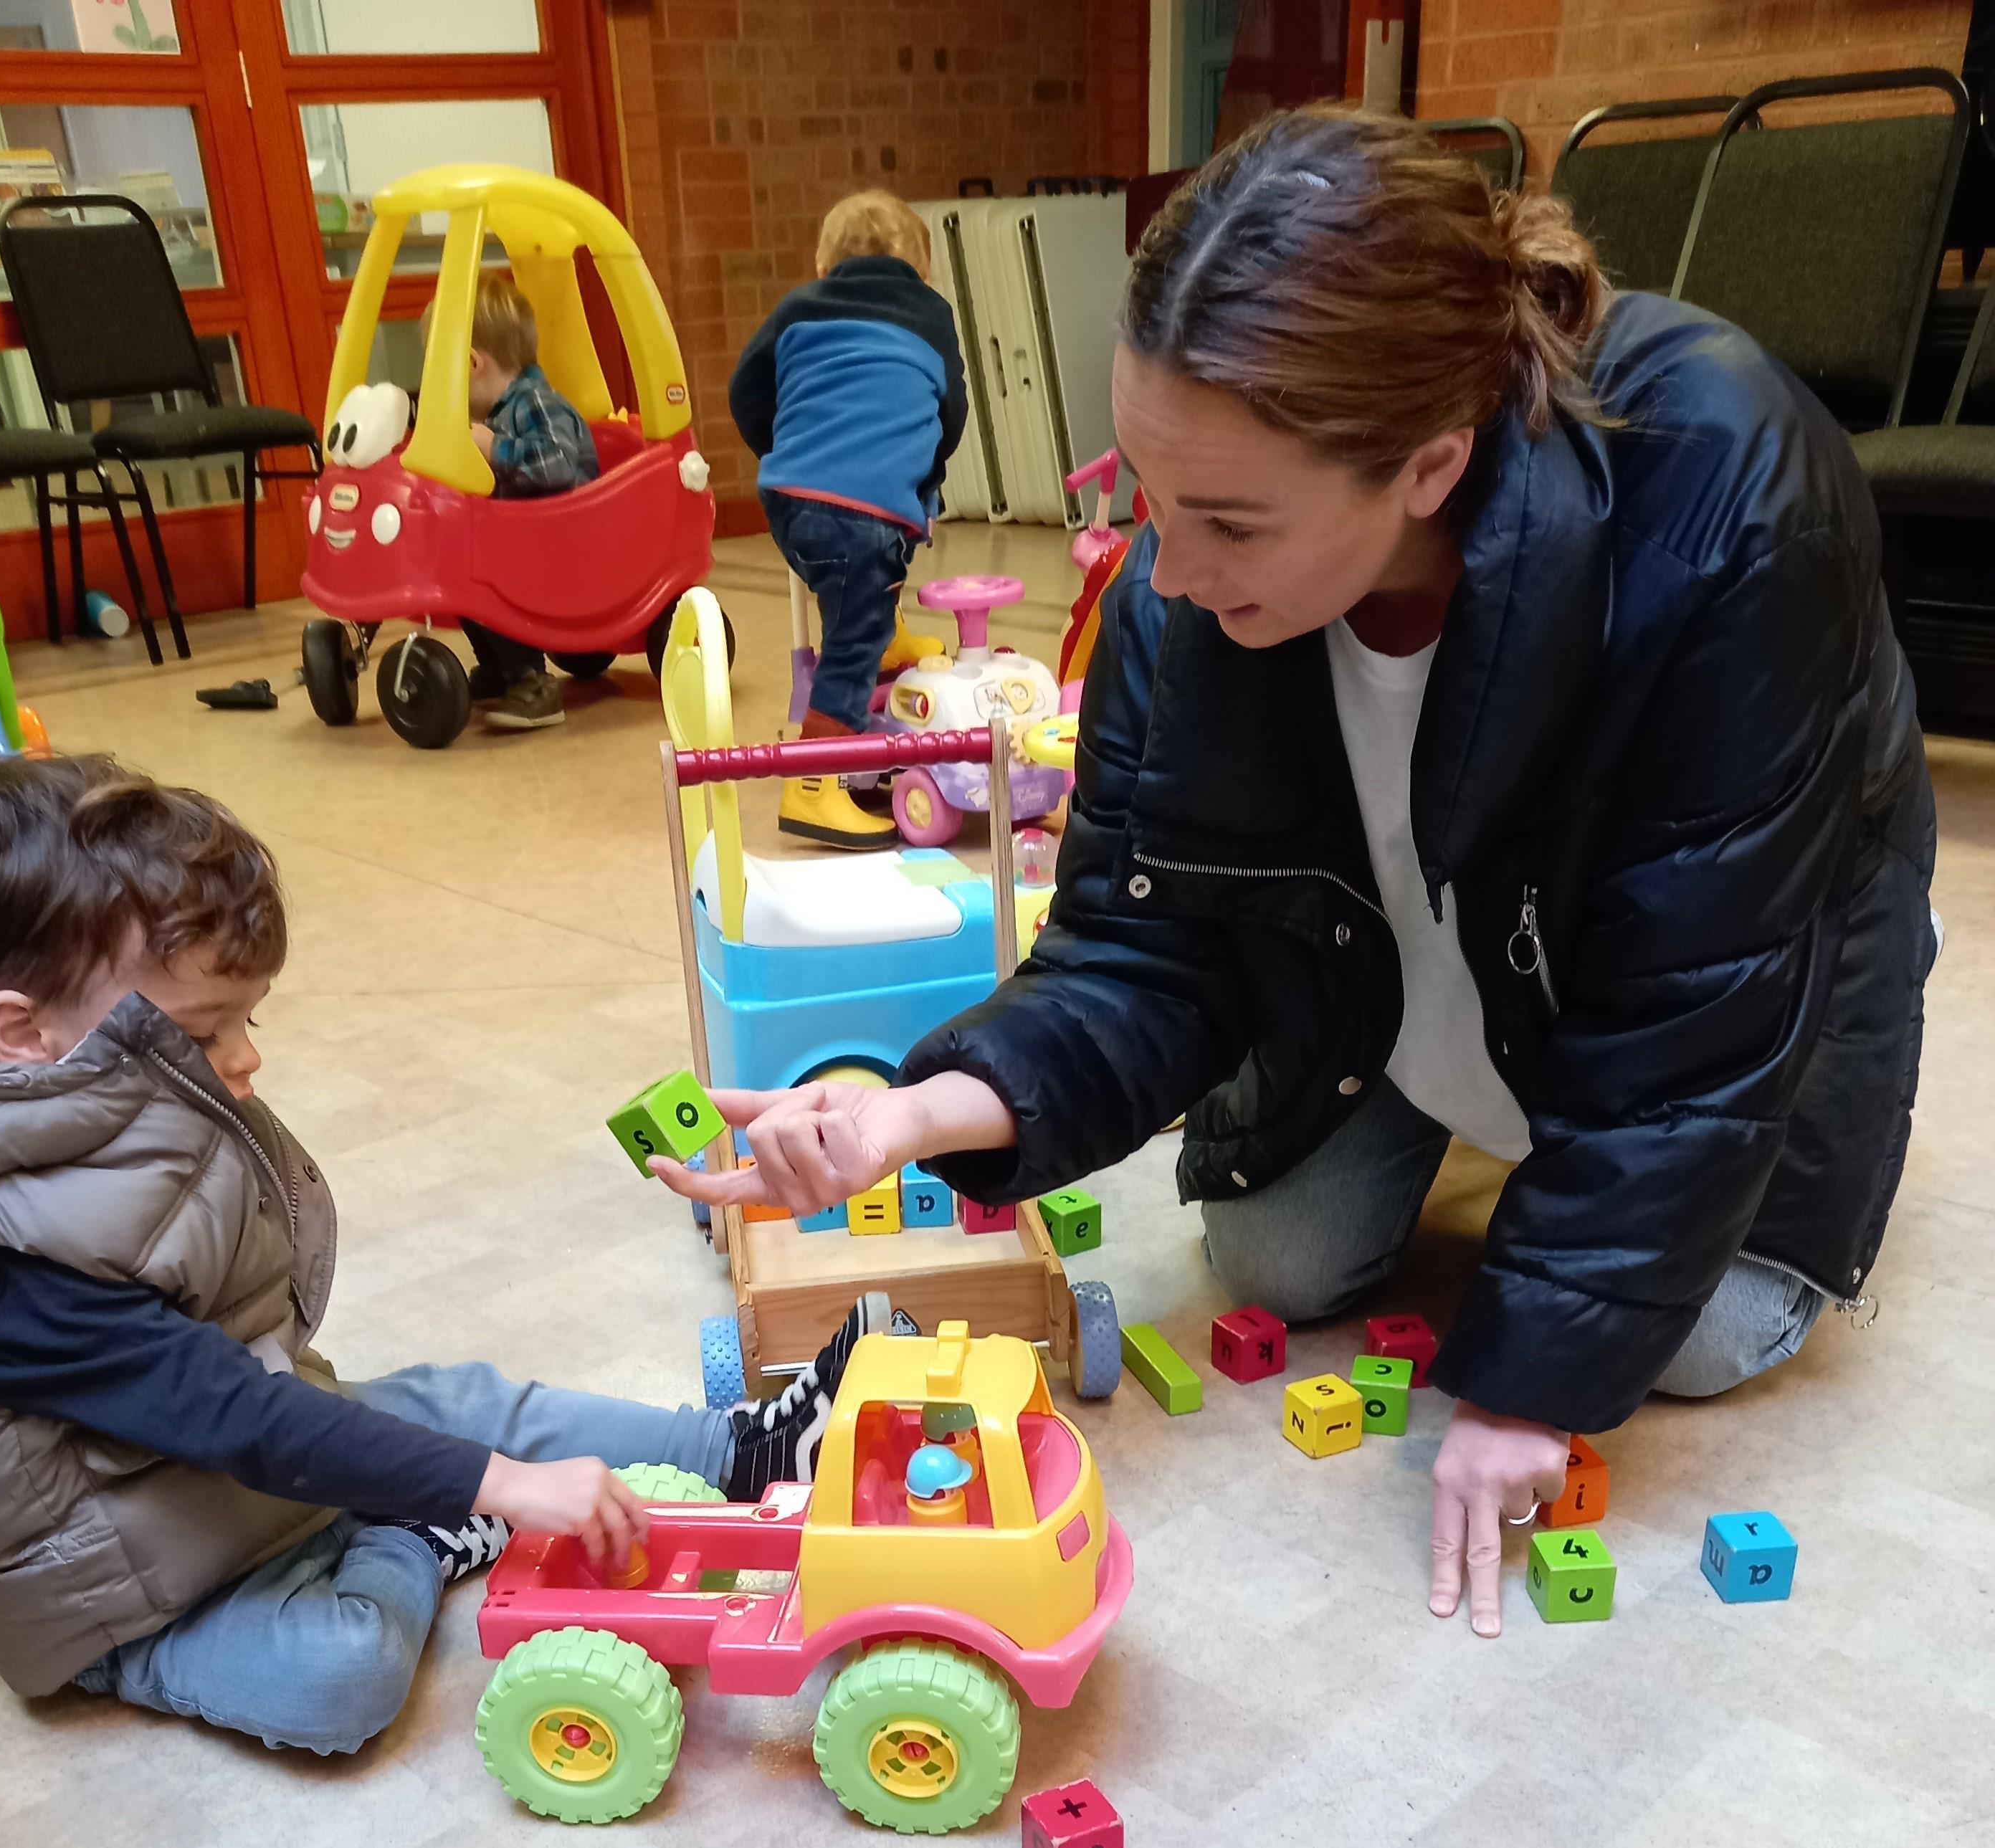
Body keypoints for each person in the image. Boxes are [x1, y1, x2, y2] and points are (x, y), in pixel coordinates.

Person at [663, 109, 1939, 1639]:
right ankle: (1492, 1108)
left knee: (1697, 1338)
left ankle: (1541, 1128)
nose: (1167, 567)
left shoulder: (1727, 498)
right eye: (1147, 488)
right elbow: (1146, 948)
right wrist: (913, 1113)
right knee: (1277, 1254)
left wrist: (1532, 1385)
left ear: (1430, 464)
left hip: (1730, 962)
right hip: (1446, 955)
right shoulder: (1184, 593)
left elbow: (1694, 1013)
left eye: (1231, 519)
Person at [0, 754, 895, 1755]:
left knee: (451, 1400)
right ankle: (419, 1535)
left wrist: (469, 1463)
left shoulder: (80, 1101)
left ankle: (741, 1447)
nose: (244, 1055)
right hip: (140, 1593)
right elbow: (230, 1415)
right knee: (342, 1677)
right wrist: (487, 1491)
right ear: (23, 1032)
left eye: (247, 1018)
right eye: (208, 1032)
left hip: (241, 1462)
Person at [730, 190, 969, 848]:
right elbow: (950, 413)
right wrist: (921, 460)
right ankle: (814, 785)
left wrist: (787, 452)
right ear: (921, 271)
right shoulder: (931, 314)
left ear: (825, 263)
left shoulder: (798, 309)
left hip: (788, 498)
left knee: (853, 584)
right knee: (854, 627)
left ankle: (883, 633)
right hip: (867, 514)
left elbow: (745, 390)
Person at [443, 272, 601, 732]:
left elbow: (555, 464)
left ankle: (532, 682)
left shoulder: (536, 403)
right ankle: (501, 669)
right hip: (533, 543)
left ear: (472, 364)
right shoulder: (497, 412)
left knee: (491, 579)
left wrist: (497, 450)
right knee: (466, 575)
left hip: (567, 548)